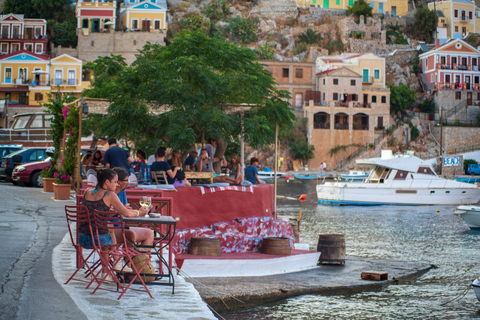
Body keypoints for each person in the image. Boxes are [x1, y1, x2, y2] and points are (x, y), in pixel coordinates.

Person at [78, 169, 149, 279]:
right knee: (108, 231)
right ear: (107, 182)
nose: (117, 185)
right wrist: (141, 212)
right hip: (99, 240)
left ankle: (107, 272)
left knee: (108, 228)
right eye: (115, 182)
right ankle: (117, 264)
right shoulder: (109, 195)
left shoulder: (87, 191)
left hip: (82, 238)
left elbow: (91, 214)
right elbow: (128, 214)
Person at [112, 167, 154, 247]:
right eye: (126, 180)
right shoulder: (108, 194)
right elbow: (126, 212)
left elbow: (126, 210)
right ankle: (128, 259)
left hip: (121, 227)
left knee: (149, 233)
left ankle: (141, 259)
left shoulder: (122, 192)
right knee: (130, 235)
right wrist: (139, 212)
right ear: (119, 182)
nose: (128, 183)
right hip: (110, 230)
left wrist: (129, 210)